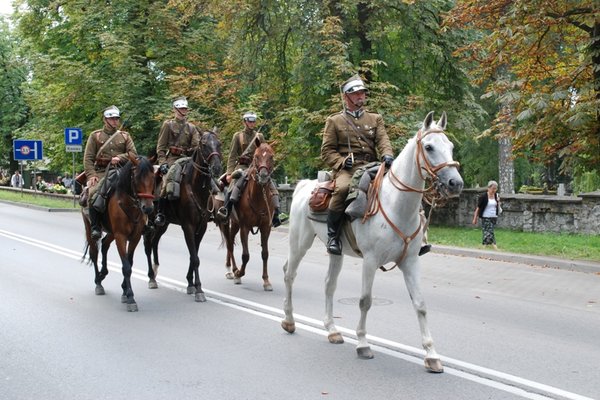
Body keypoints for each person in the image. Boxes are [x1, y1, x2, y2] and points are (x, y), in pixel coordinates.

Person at [321, 74, 395, 255]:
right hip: (347, 170)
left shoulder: (375, 119)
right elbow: (326, 151)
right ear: (346, 97)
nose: (361, 96)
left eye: (362, 93)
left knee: (400, 186)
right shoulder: (335, 121)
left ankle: (413, 235)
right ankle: (333, 237)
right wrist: (340, 161)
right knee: (343, 188)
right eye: (356, 94)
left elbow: (383, 140)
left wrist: (387, 155)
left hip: (372, 166)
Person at [217, 111, 282, 227]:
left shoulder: (259, 136)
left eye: (253, 121)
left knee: (271, 185)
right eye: (249, 121)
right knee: (233, 187)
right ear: (245, 122)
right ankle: (226, 210)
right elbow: (232, 156)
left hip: (256, 166)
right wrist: (229, 173)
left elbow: (264, 151)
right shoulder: (238, 136)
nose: (252, 123)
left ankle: (276, 214)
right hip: (242, 167)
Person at [83, 105, 137, 240]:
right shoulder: (95, 136)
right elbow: (88, 158)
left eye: (116, 119)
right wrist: (92, 175)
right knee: (93, 193)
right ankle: (95, 227)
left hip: (123, 171)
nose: (115, 121)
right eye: (112, 119)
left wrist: (120, 158)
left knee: (141, 190)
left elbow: (133, 153)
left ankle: (144, 223)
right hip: (102, 172)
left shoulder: (125, 136)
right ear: (105, 120)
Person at [153, 96, 201, 226]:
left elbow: (197, 145)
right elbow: (161, 147)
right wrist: (163, 162)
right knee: (166, 181)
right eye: (181, 108)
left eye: (185, 108)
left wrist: (194, 148)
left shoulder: (191, 128)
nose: (184, 111)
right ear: (175, 109)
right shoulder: (168, 125)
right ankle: (161, 213)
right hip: (172, 160)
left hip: (187, 160)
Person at [472, 180, 501, 250]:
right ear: (488, 188)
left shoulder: (496, 196)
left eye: (495, 188)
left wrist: (499, 201)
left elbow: (497, 206)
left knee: (487, 231)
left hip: (494, 216)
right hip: (485, 216)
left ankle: (484, 246)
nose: (494, 190)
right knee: (490, 231)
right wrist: (475, 218)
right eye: (493, 188)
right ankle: (495, 246)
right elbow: (478, 208)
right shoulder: (484, 196)